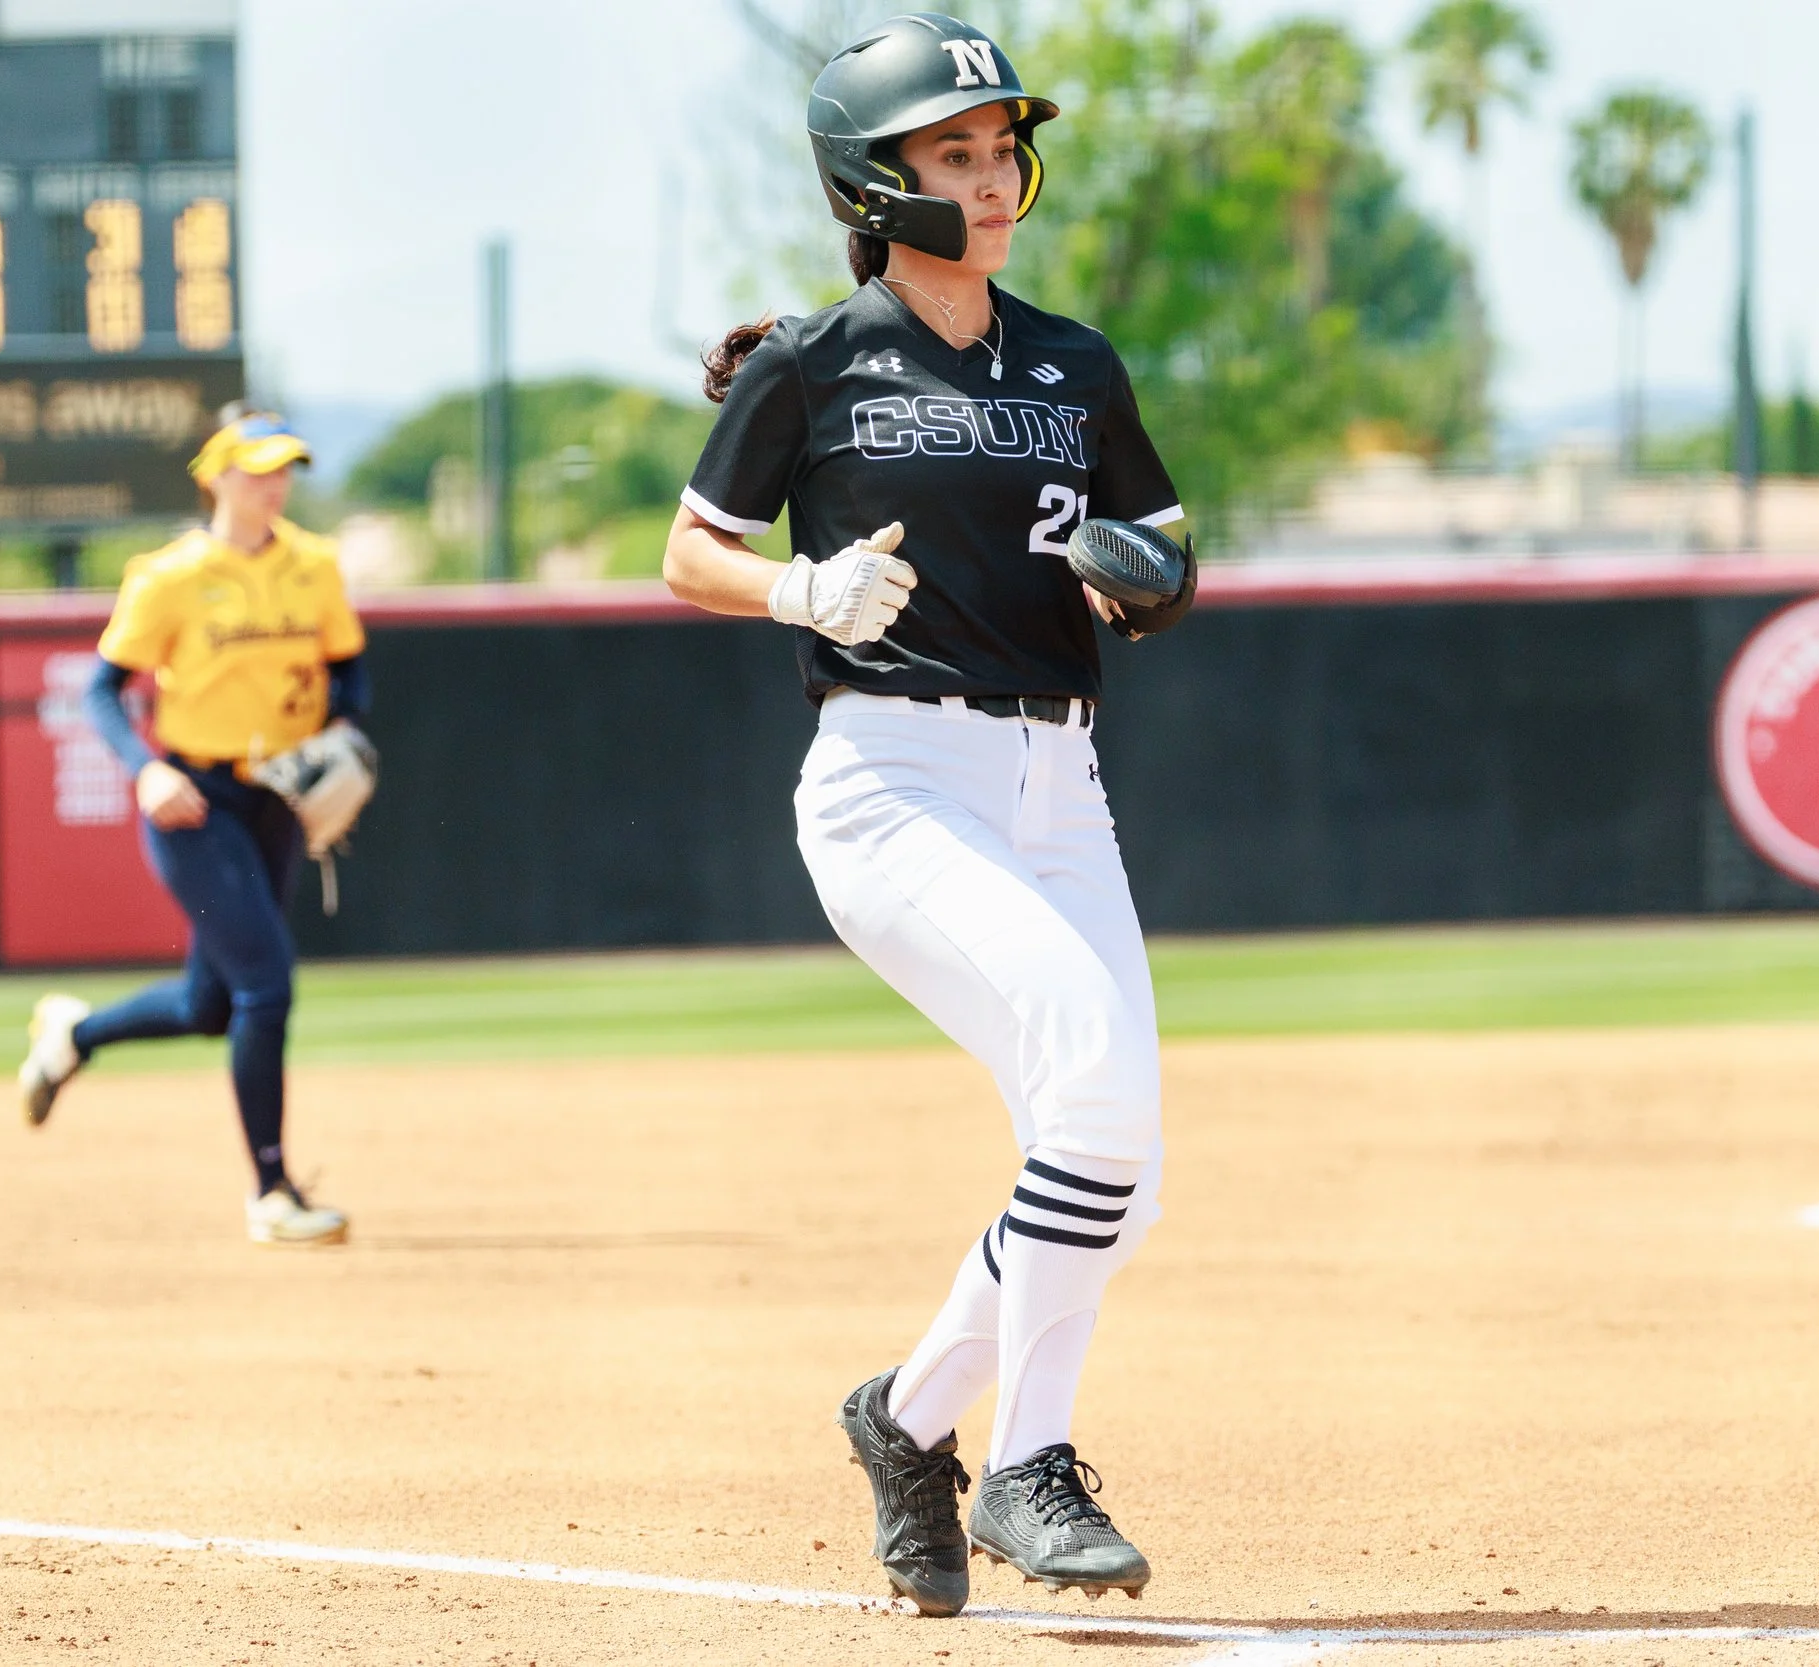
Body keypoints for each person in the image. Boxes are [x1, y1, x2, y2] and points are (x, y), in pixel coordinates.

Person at [663, 15, 1193, 1617]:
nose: (993, 175)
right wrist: (798, 586)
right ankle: (1029, 1461)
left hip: (1060, 778)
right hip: (896, 780)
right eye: (951, 153)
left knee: (1115, 1163)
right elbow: (691, 549)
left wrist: (1145, 575)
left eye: (998, 147)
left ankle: (903, 1422)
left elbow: (1165, 553)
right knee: (1091, 1096)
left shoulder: (1073, 360)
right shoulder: (811, 359)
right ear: (873, 181)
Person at [14, 411, 367, 1246]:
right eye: (255, 470)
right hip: (195, 800)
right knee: (267, 985)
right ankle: (272, 1191)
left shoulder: (313, 565)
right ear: (215, 478)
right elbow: (101, 690)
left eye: (284, 469)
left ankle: (74, 1035)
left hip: (280, 796)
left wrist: (346, 735)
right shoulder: (168, 576)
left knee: (215, 1004)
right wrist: (147, 769)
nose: (273, 485)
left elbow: (349, 671)